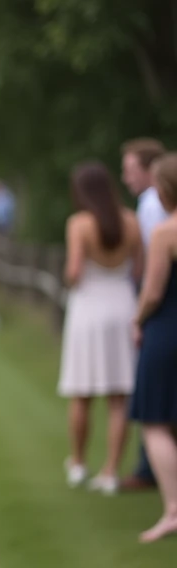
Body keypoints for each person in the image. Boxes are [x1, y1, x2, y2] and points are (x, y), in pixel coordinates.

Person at [57, 162, 143, 494]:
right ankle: (110, 471)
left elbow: (75, 272)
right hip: (122, 305)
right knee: (118, 396)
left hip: (88, 309)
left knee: (82, 392)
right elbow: (138, 271)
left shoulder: (79, 223)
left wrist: (69, 275)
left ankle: (78, 463)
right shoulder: (131, 221)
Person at [133, 153, 177, 542]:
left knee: (156, 420)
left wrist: (137, 319)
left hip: (167, 329)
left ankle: (173, 510)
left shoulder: (165, 232)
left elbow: (152, 292)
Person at [120, 138, 168, 492]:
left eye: (130, 170)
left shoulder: (153, 209)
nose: (126, 178)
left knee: (153, 401)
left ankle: (150, 471)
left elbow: (153, 276)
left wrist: (139, 318)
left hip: (163, 304)